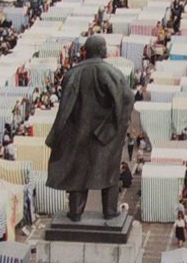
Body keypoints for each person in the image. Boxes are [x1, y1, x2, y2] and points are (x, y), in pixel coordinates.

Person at [45, 35, 135, 221]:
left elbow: (64, 109)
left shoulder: (73, 73)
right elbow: (127, 101)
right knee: (109, 173)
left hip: (78, 134)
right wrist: (112, 129)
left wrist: (55, 135)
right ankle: (110, 211)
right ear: (102, 51)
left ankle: (75, 212)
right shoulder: (113, 73)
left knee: (78, 174)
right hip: (105, 136)